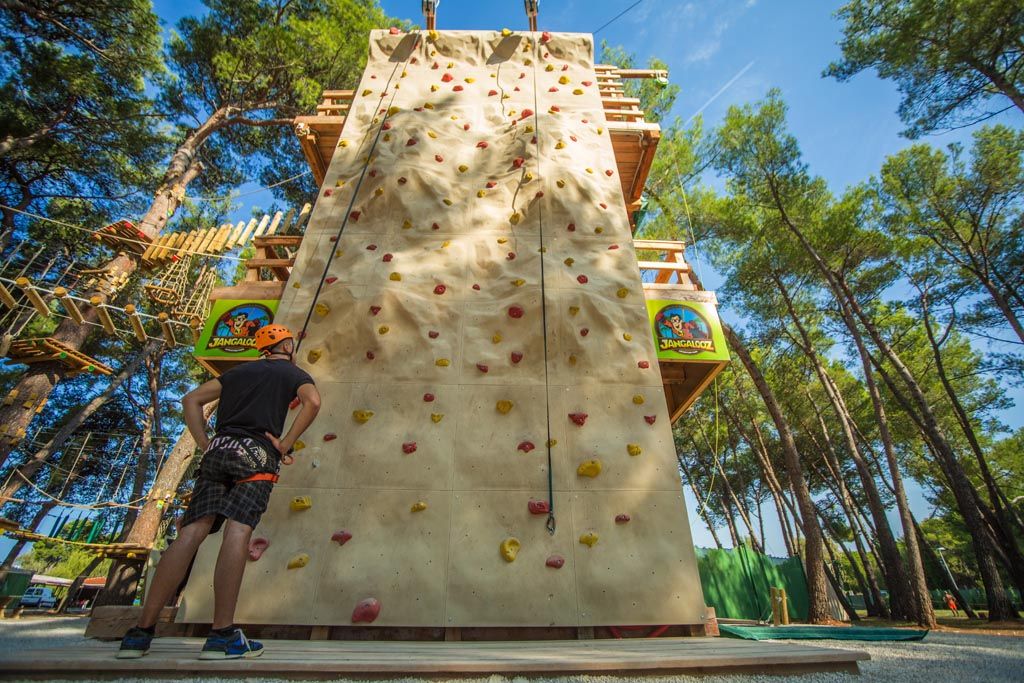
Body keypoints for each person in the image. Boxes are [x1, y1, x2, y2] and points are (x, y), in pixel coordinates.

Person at [117, 324, 320, 660]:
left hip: (219, 451)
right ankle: (221, 635)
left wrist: (203, 442)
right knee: (238, 532)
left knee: (191, 532)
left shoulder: (239, 372)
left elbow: (191, 399)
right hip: (255, 455)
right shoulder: (291, 372)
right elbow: (312, 402)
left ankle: (140, 634)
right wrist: (284, 444)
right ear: (286, 344)